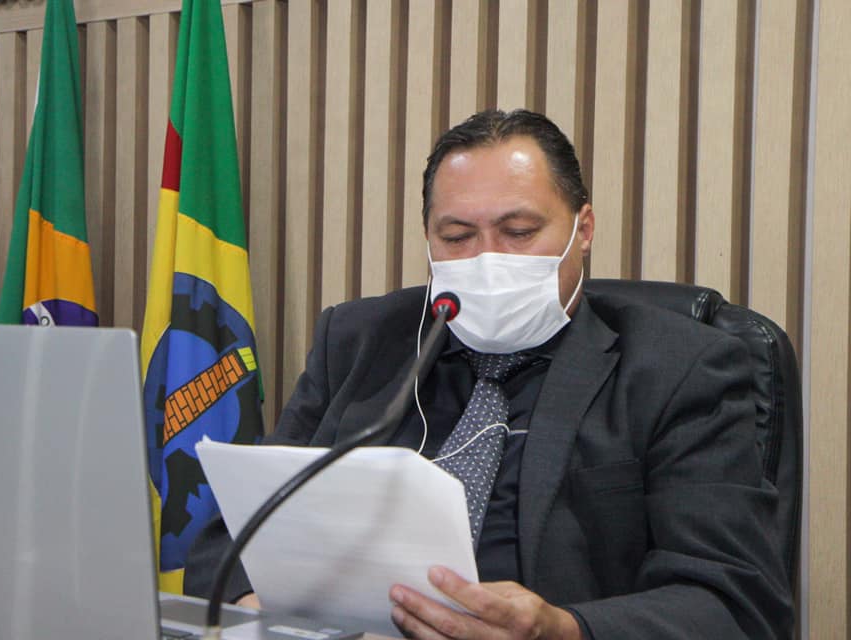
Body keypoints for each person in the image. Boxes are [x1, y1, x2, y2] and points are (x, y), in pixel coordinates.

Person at [184, 109, 793, 639]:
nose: (487, 259)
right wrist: (259, 609)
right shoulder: (360, 341)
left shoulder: (682, 367)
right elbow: (228, 540)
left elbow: (734, 605)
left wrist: (563, 628)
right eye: (457, 236)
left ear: (582, 230)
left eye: (519, 232)